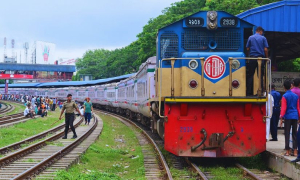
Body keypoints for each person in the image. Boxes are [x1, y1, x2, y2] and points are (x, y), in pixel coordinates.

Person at [246, 26, 269, 96]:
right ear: (261, 31)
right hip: (260, 59)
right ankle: (261, 92)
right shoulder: (263, 38)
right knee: (260, 76)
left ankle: (249, 93)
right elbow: (265, 49)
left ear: (256, 31)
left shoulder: (250, 37)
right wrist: (266, 58)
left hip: (252, 58)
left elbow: (247, 48)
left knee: (250, 75)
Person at [280, 80, 300, 157]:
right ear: (290, 86)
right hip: (295, 116)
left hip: (288, 116)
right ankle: (295, 151)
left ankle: (287, 151)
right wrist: (299, 116)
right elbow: (298, 107)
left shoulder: (285, 96)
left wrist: (281, 117)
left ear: (284, 87)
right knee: (295, 134)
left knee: (287, 133)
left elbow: (284, 108)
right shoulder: (296, 96)